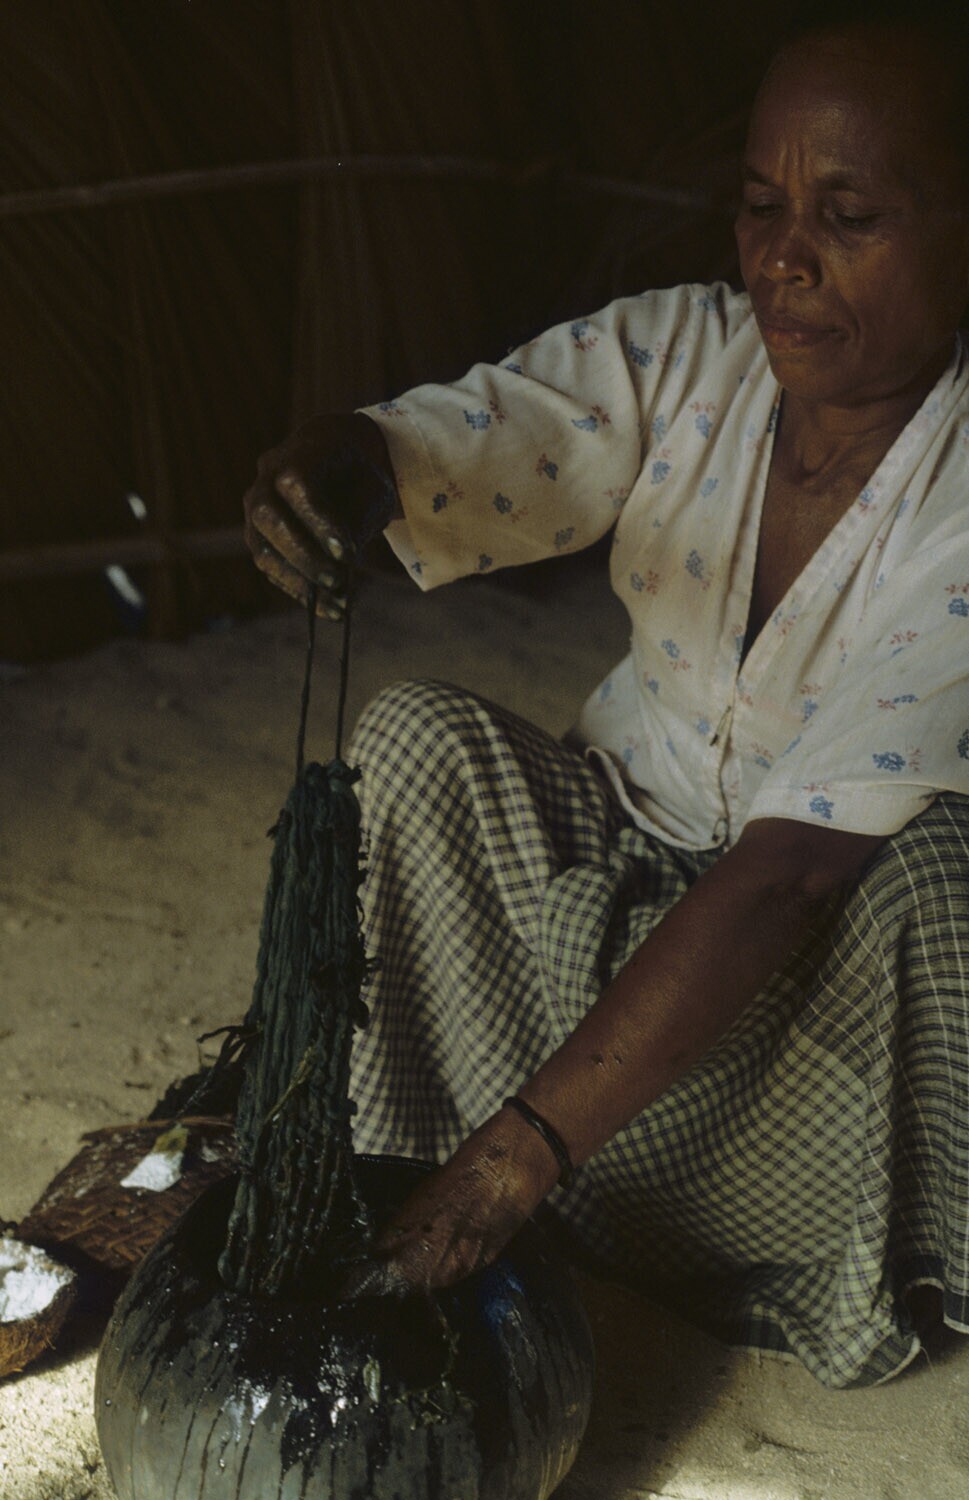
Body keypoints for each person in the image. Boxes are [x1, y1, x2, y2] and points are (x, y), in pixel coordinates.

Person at [243, 11, 969, 1388]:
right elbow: (489, 430)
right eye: (759, 205)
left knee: (942, 881)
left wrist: (505, 1168)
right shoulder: (689, 355)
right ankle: (564, 1172)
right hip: (613, 894)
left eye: (849, 215)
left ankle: (607, 1195)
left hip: (800, 993)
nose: (783, 257)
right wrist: (349, 462)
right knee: (416, 740)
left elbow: (790, 875)